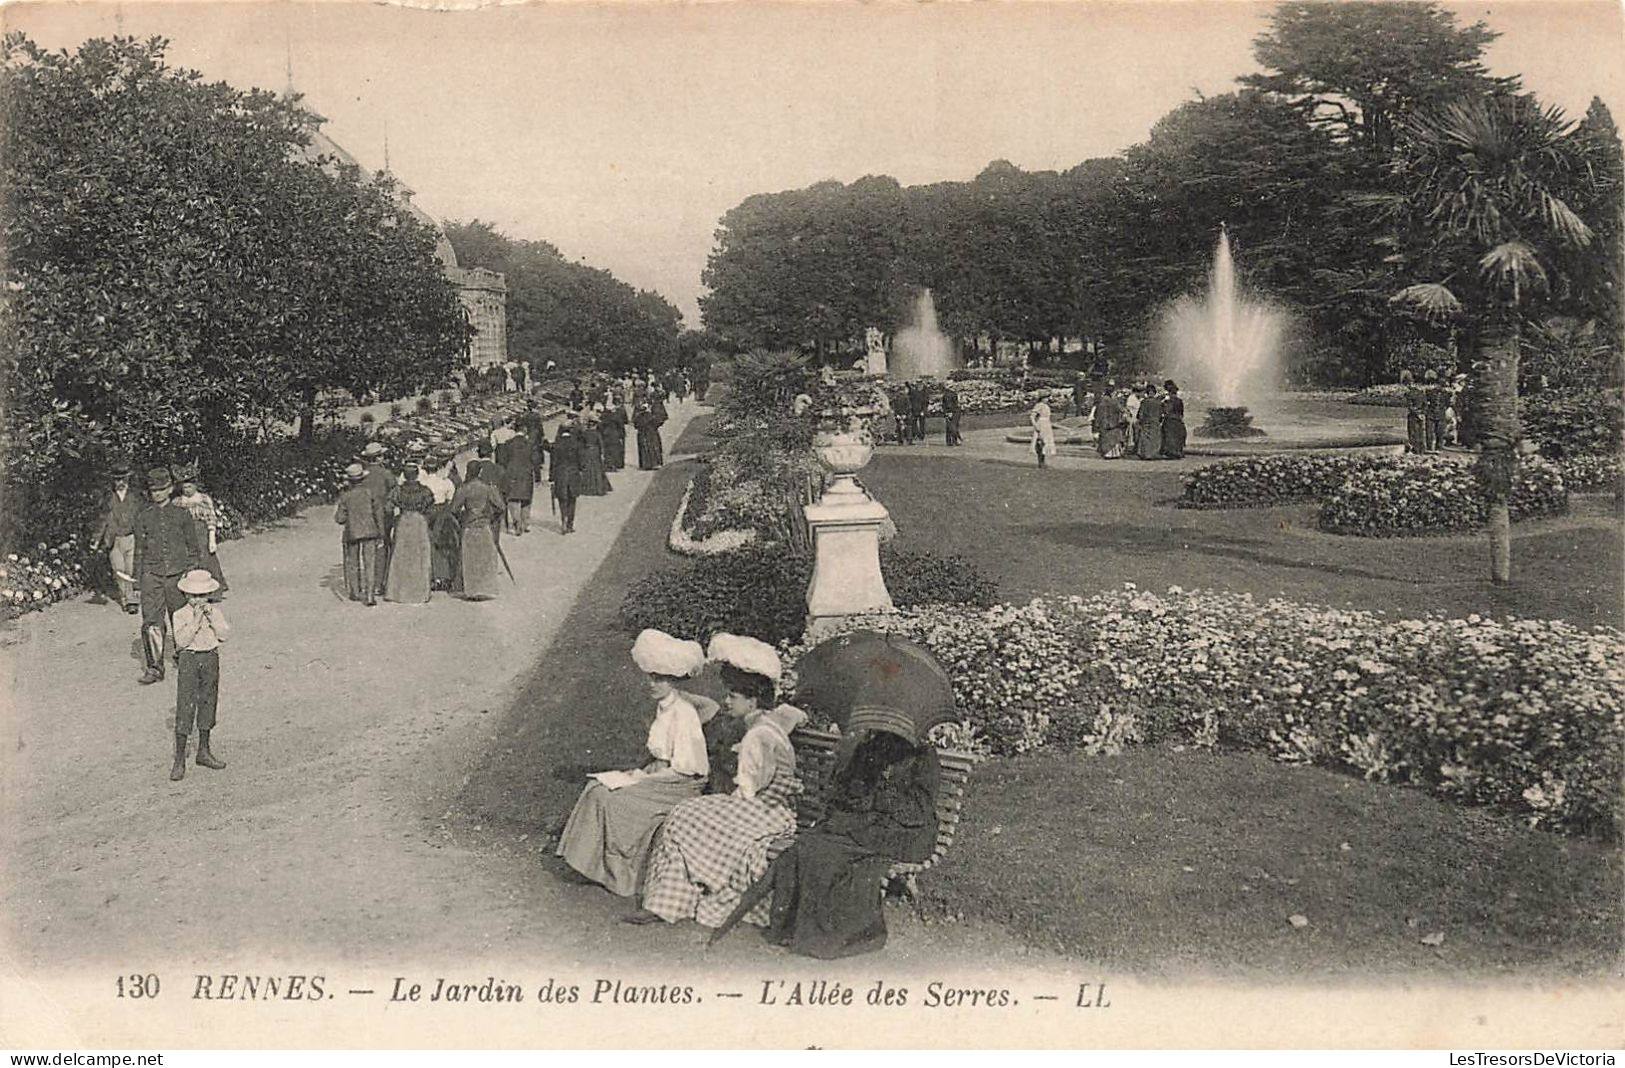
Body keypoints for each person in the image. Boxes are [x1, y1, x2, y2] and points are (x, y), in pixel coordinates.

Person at [631, 633, 807, 927]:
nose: (726, 702)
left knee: (683, 816)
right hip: (774, 811)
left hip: (764, 814)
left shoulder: (757, 735)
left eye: (733, 697)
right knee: (687, 815)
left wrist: (724, 799)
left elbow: (748, 792)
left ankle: (668, 902)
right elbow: (789, 720)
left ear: (751, 701)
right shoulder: (771, 722)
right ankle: (668, 902)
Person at [556, 629, 709, 896]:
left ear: (673, 681)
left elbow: (686, 767)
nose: (652, 683)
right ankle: (587, 865)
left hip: (677, 784)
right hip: (658, 774)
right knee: (595, 789)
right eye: (651, 677)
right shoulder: (665, 707)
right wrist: (641, 772)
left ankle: (616, 872)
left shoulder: (683, 713)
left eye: (660, 679)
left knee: (610, 798)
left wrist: (642, 778)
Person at [763, 727, 940, 958]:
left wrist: (881, 794)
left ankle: (826, 936)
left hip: (906, 833)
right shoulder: (872, 746)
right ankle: (792, 928)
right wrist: (860, 790)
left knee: (834, 854)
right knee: (809, 846)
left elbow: (919, 810)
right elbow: (846, 791)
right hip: (870, 825)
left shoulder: (923, 756)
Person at [132, 467, 203, 684]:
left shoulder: (182, 515)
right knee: (151, 620)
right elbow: (140, 549)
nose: (158, 494)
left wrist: (190, 573)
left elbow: (193, 547)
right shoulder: (144, 517)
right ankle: (155, 667)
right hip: (152, 575)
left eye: (162, 489)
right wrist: (138, 579)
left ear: (171, 489)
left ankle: (185, 655)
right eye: (154, 490)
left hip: (177, 575)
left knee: (181, 616)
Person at [169, 569, 230, 781]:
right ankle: (179, 759)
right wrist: (195, 621)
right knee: (186, 703)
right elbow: (182, 641)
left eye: (202, 596)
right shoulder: (180, 615)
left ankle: (204, 750)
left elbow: (224, 634)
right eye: (194, 596)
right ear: (186, 595)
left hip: (210, 657)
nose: (198, 600)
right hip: (190, 659)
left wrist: (211, 617)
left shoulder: (214, 612)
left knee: (208, 701)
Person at [449, 460, 503, 599]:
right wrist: (490, 517)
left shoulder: (464, 489)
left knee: (470, 559)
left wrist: (463, 517)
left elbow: (454, 509)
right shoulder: (488, 488)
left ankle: (472, 590)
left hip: (468, 525)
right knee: (484, 557)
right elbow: (500, 507)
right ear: (480, 472)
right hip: (484, 525)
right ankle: (484, 588)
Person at [94, 463, 143, 614]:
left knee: (130, 568)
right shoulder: (108, 498)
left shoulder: (135, 497)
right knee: (119, 570)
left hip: (131, 537)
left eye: (123, 480)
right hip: (114, 539)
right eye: (117, 480)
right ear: (113, 481)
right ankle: (125, 600)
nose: (121, 483)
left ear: (128, 480)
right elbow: (102, 519)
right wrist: (96, 539)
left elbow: (141, 517)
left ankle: (132, 600)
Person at [335, 463, 386, 606]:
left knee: (353, 562)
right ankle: (370, 596)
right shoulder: (370, 493)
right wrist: (381, 532)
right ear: (363, 479)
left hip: (352, 532)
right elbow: (379, 514)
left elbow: (339, 518)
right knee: (370, 563)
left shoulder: (346, 496)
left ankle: (355, 592)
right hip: (370, 531)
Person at [384, 462, 434, 604]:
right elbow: (431, 507)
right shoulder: (425, 491)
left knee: (401, 555)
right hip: (419, 522)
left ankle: (398, 592)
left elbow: (388, 507)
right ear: (417, 474)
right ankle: (420, 593)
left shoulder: (397, 490)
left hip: (404, 521)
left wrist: (396, 515)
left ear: (404, 476)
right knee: (420, 556)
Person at [360, 442, 395, 594]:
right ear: (379, 457)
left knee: (367, 547)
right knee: (382, 546)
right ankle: (379, 583)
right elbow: (394, 490)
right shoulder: (386, 474)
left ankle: (369, 581)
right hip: (383, 514)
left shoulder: (362, 474)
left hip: (365, 513)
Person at [549, 414, 585, 535]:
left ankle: (563, 519)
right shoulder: (576, 444)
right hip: (573, 473)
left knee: (562, 499)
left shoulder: (556, 446)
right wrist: (581, 469)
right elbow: (581, 461)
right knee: (572, 499)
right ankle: (570, 523)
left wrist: (551, 478)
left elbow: (553, 463)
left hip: (560, 474)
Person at [498, 424, 536, 534]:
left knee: (513, 499)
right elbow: (535, 459)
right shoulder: (529, 444)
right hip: (526, 474)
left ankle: (516, 522)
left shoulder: (508, 444)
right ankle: (526, 523)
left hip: (512, 474)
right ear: (524, 430)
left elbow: (503, 460)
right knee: (526, 499)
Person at [578, 409, 612, 496]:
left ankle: (588, 488)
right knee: (597, 470)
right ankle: (598, 488)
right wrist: (602, 454)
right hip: (595, 452)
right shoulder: (597, 434)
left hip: (587, 451)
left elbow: (581, 444)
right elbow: (601, 444)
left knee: (588, 470)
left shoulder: (584, 433)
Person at [1400, 370, 1426, 454]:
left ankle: (1415, 449)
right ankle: (1421, 449)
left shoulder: (1409, 394)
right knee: (1420, 433)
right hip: (1421, 414)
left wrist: (1417, 413)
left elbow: (1410, 406)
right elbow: (1425, 405)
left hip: (1413, 415)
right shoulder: (1421, 393)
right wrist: (1422, 413)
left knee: (1413, 433)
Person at [1135, 384, 1164, 460]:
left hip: (1146, 422)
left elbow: (1140, 414)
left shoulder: (1144, 402)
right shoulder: (1158, 402)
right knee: (1154, 438)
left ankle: (1145, 454)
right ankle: (1153, 454)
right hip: (1155, 422)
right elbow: (1161, 414)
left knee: (1145, 438)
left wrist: (1140, 421)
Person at [1423, 369, 1449, 453]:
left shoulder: (1446, 394)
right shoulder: (1429, 392)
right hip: (1431, 414)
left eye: (1442, 386)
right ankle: (1429, 447)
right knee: (1430, 432)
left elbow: (1447, 404)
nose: (1440, 387)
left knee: (1440, 433)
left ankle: (1439, 447)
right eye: (1439, 385)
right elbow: (1426, 402)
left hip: (1440, 414)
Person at [1161, 380, 1187, 459]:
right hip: (1177, 420)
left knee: (1168, 434)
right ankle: (1178, 451)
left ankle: (1170, 451)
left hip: (1170, 420)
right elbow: (1181, 413)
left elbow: (1165, 412)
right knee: (1179, 435)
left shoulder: (1166, 402)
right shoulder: (1179, 401)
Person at [633, 401, 663, 471]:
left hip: (642, 434)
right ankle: (655, 463)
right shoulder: (651, 416)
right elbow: (658, 423)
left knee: (644, 448)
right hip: (652, 433)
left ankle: (645, 464)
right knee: (653, 447)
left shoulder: (638, 417)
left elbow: (636, 425)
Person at [601, 400, 628, 472]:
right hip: (615, 435)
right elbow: (621, 425)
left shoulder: (604, 416)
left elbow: (601, 426)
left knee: (607, 451)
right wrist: (622, 435)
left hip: (606, 435)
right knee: (615, 450)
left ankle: (608, 465)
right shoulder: (616, 416)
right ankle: (615, 465)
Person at [1030, 398, 1057, 467]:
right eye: (1045, 397)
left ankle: (1043, 460)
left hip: (1047, 424)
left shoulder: (1046, 406)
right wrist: (1035, 425)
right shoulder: (1039, 405)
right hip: (1041, 424)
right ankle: (1040, 461)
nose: (1047, 399)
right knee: (1041, 442)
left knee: (1046, 442)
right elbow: (1032, 416)